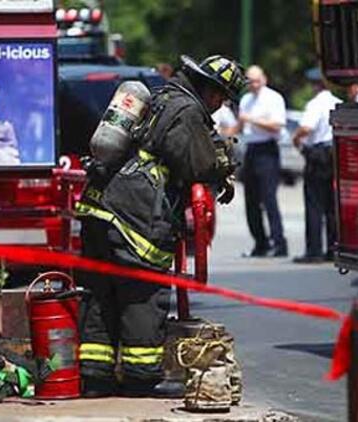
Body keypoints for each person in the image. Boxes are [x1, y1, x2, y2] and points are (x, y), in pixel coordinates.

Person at [75, 54, 245, 398]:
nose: (220, 104)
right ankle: (139, 379)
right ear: (209, 89)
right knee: (141, 294)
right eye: (221, 96)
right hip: (134, 216)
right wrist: (225, 161)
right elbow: (197, 164)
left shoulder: (161, 98)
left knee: (101, 295)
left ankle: (96, 378)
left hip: (98, 206)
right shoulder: (185, 110)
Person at [291, 68, 342, 263]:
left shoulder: (315, 104)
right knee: (331, 205)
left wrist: (296, 140)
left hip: (318, 154)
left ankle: (314, 250)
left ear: (314, 85)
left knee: (314, 205)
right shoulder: (336, 101)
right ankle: (333, 247)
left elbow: (306, 128)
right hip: (333, 153)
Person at [237, 65, 288, 257]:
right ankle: (260, 242)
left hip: (267, 149)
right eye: (250, 81)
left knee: (269, 199)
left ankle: (279, 242)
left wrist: (251, 119)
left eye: (257, 80)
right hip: (251, 149)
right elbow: (241, 126)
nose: (254, 85)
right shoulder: (246, 100)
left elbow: (277, 125)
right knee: (251, 200)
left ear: (264, 79)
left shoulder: (273, 98)